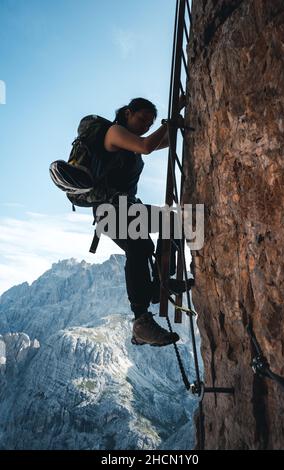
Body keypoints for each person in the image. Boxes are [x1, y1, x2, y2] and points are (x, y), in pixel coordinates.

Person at [94, 96, 192, 347]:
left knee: (172, 222)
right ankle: (141, 321)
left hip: (128, 207)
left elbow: (165, 140)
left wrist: (180, 117)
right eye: (142, 119)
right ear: (128, 112)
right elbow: (147, 146)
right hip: (109, 209)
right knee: (139, 247)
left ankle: (162, 281)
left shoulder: (133, 140)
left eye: (149, 123)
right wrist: (169, 120)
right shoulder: (114, 132)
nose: (146, 126)